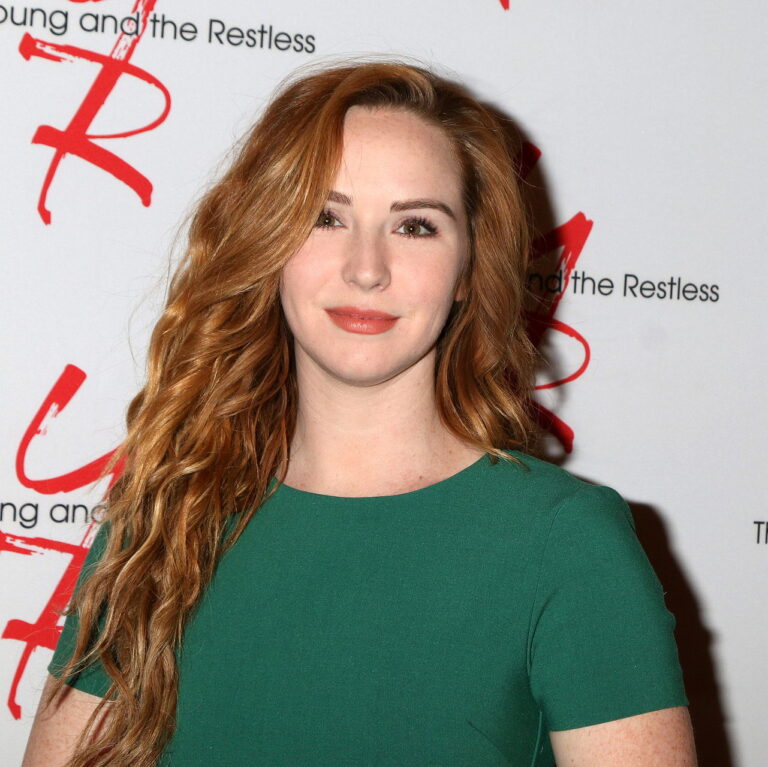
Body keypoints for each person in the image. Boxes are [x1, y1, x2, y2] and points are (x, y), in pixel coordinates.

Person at [22, 58, 698, 767]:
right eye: (325, 217)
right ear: (270, 242)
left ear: (470, 268)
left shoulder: (563, 544)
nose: (366, 267)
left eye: (415, 227)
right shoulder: (166, 518)